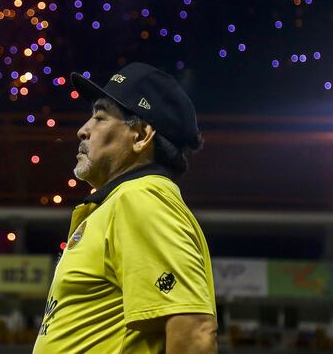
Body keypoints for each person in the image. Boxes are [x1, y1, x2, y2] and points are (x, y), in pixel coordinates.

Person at [33, 62, 217, 354]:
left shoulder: (141, 199)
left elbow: (194, 330)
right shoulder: (122, 202)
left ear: (142, 135)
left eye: (100, 117)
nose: (83, 130)